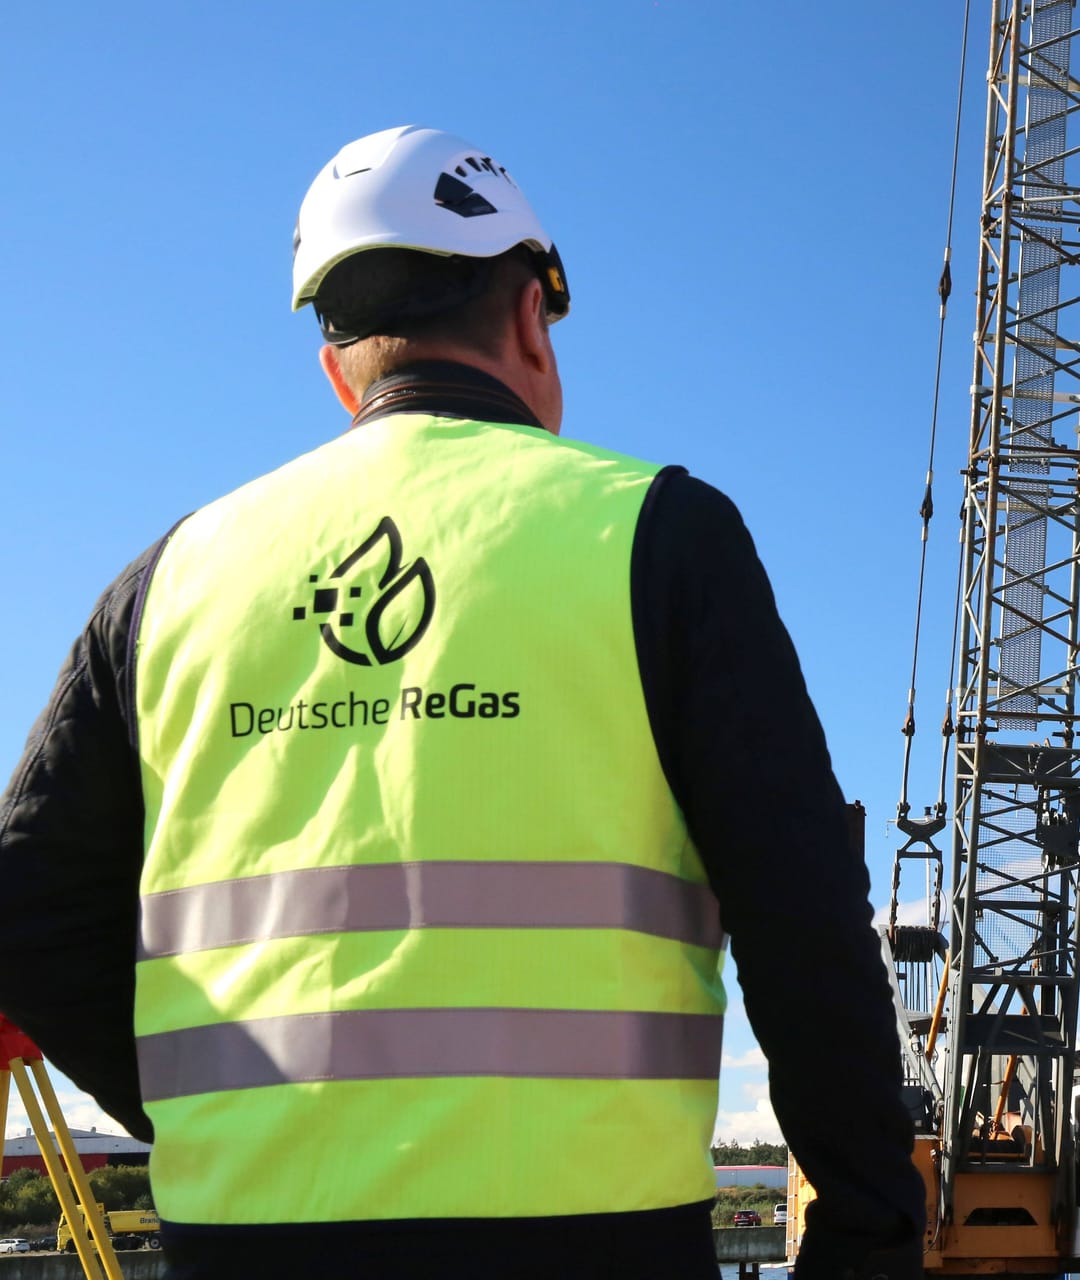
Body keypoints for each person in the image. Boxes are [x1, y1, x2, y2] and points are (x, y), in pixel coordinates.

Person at [0, 125, 923, 1280]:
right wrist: (867, 1232)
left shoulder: (169, 580)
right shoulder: (659, 535)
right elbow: (804, 920)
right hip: (597, 1244)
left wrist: (218, 1120)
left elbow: (26, 907)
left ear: (336, 363)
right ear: (533, 314)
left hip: (243, 1240)